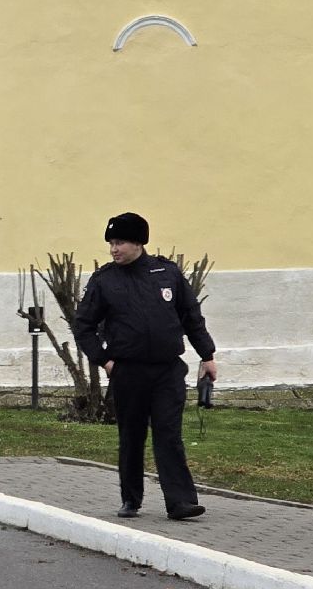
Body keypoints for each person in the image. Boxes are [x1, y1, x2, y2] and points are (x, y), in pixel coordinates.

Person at [72, 212, 218, 521]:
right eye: (111, 243)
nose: (114, 249)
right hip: (128, 372)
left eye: (120, 242)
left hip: (167, 370)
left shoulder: (166, 273)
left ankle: (180, 502)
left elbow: (191, 316)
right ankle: (131, 499)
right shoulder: (104, 279)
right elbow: (83, 325)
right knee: (131, 436)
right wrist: (105, 360)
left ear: (138, 242)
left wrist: (207, 354)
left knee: (168, 434)